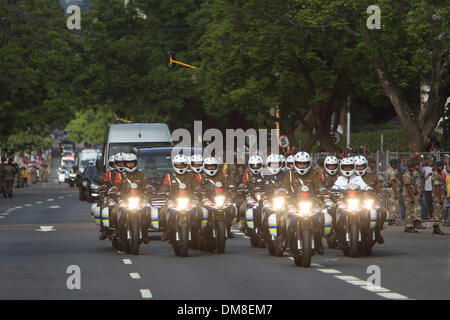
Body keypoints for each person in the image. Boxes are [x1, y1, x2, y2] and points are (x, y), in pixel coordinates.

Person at [281, 151, 326, 254]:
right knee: (282, 217)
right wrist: (282, 192)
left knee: (322, 217)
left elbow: (319, 184)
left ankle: (319, 242)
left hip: (312, 201)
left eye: (304, 164)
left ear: (308, 164)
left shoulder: (313, 173)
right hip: (293, 201)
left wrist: (323, 191)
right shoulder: (290, 173)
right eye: (300, 164)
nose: (302, 166)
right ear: (296, 164)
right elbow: (284, 185)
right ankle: (284, 240)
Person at [158, 154, 201, 241]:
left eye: (182, 164)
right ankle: (166, 230)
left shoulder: (192, 175)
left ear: (186, 165)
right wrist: (163, 190)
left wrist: (199, 190)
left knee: (200, 210)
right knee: (162, 212)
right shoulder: (170, 176)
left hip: (190, 200)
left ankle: (198, 231)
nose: (180, 166)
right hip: (173, 200)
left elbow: (197, 185)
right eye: (178, 164)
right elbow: (165, 185)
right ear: (174, 165)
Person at [111, 153, 151, 243]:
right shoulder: (120, 175)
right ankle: (118, 231)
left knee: (148, 212)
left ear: (135, 163)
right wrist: (114, 189)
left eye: (132, 163)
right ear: (124, 164)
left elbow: (146, 183)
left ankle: (145, 233)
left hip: (139, 199)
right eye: (128, 163)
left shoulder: (140, 174)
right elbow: (116, 184)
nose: (130, 164)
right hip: (124, 200)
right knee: (114, 212)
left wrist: (149, 187)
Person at [197, 156, 236, 239]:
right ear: (205, 167)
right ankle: (200, 229)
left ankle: (228, 229)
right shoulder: (201, 176)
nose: (211, 168)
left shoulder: (221, 176)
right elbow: (196, 186)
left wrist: (231, 188)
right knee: (200, 211)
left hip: (220, 199)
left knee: (231, 209)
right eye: (209, 166)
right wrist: (199, 190)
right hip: (206, 199)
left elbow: (228, 184)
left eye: (213, 166)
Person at [402, 160, 420, 233]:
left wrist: (416, 193)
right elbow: (408, 187)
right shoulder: (406, 175)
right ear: (409, 167)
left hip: (411, 194)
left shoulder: (411, 174)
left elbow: (414, 185)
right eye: (413, 168)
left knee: (412, 210)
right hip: (408, 195)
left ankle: (410, 225)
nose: (414, 169)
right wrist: (412, 197)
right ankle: (408, 226)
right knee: (408, 211)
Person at [385, 159, 401, 225]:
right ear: (394, 164)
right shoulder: (392, 172)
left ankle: (392, 219)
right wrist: (395, 193)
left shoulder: (388, 170)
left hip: (389, 189)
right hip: (392, 189)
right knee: (394, 205)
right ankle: (393, 220)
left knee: (390, 205)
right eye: (397, 164)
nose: (397, 165)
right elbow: (393, 182)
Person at [431, 161, 445, 235]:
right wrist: (439, 198)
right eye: (441, 166)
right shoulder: (436, 175)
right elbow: (437, 187)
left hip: (439, 196)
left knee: (439, 211)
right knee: (437, 212)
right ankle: (436, 227)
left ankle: (436, 226)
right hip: (437, 196)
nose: (442, 168)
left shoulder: (437, 174)